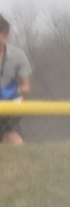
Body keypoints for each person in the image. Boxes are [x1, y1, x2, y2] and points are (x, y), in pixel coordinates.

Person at [0, 14, 31, 146]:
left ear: (7, 36)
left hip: (10, 108)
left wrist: (13, 93)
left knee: (15, 144)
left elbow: (26, 86)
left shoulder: (18, 56)